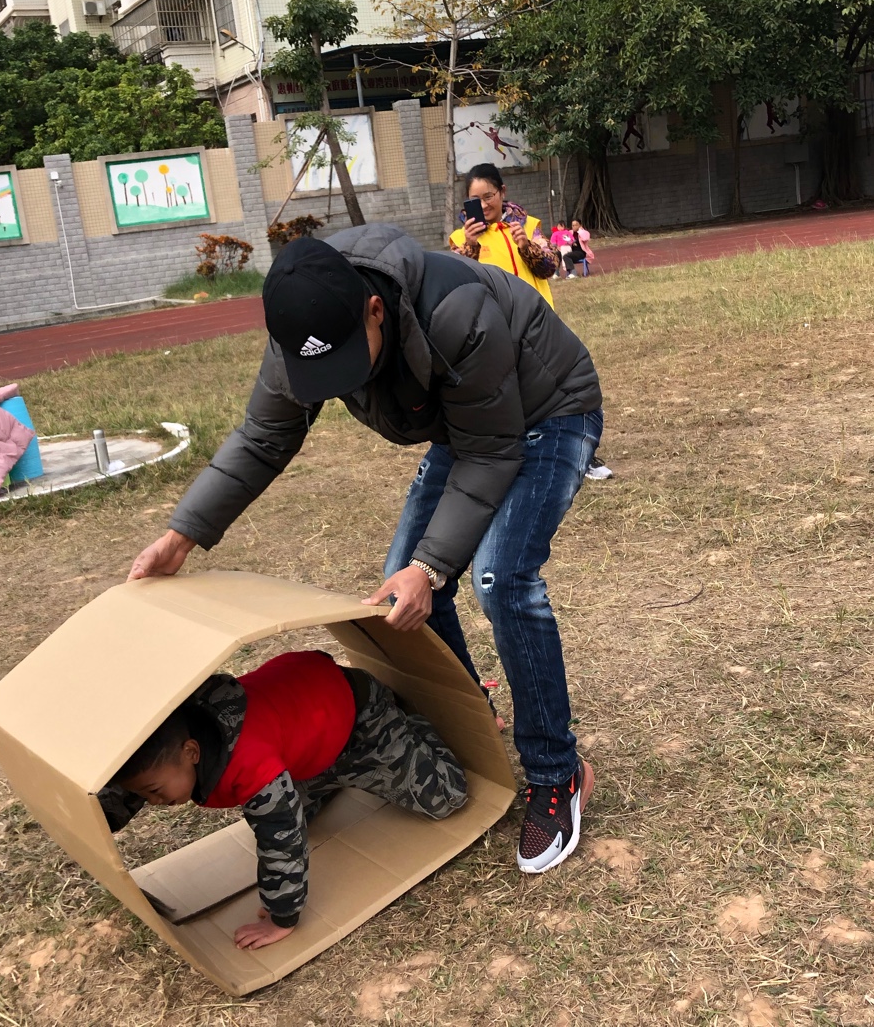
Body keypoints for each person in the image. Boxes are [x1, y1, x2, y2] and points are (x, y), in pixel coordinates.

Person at [128, 225, 604, 875]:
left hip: (549, 411)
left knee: (499, 577)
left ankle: (557, 771)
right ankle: (471, 725)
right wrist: (181, 535)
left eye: (345, 363)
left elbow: (494, 453)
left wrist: (431, 566)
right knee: (398, 591)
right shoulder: (299, 328)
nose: (333, 382)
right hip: (469, 427)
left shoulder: (455, 312)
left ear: (375, 310)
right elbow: (263, 438)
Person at [102, 649, 467, 950]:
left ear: (192, 752)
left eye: (154, 792)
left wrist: (281, 918)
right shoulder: (170, 737)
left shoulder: (251, 769)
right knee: (295, 809)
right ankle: (326, 769)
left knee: (446, 798)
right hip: (303, 722)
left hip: (361, 718)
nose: (152, 801)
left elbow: (282, 841)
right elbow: (132, 778)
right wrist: (98, 820)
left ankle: (410, 730)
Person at [449, 163, 558, 306]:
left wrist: (527, 247)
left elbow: (550, 269)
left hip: (537, 313)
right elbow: (457, 286)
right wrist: (470, 248)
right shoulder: (460, 239)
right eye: (475, 200)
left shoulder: (528, 226)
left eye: (488, 197)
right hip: (496, 317)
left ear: (502, 191)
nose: (483, 205)